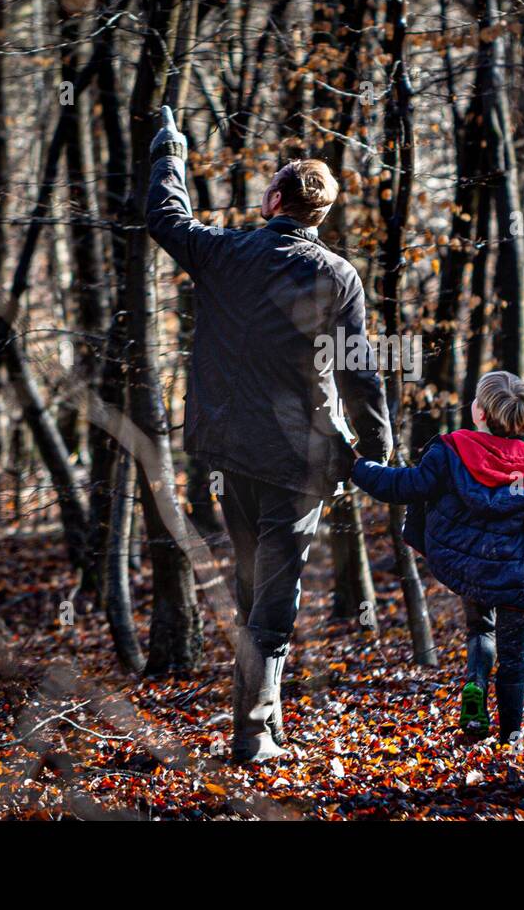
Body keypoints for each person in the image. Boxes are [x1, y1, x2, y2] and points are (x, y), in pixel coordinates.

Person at [145, 106, 392, 763]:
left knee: (259, 589)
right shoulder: (339, 275)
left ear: (274, 201)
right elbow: (360, 371)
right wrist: (378, 447)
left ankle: (262, 724)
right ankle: (255, 734)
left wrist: (170, 150)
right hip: (298, 461)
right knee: (271, 599)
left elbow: (166, 219)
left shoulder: (227, 253)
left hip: (229, 455)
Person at [351, 371, 524, 742]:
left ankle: (474, 690)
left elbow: (402, 486)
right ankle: (512, 733)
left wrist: (358, 466)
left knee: (480, 629)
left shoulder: (451, 453)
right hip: (517, 582)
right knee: (514, 656)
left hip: (469, 569)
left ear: (480, 414)